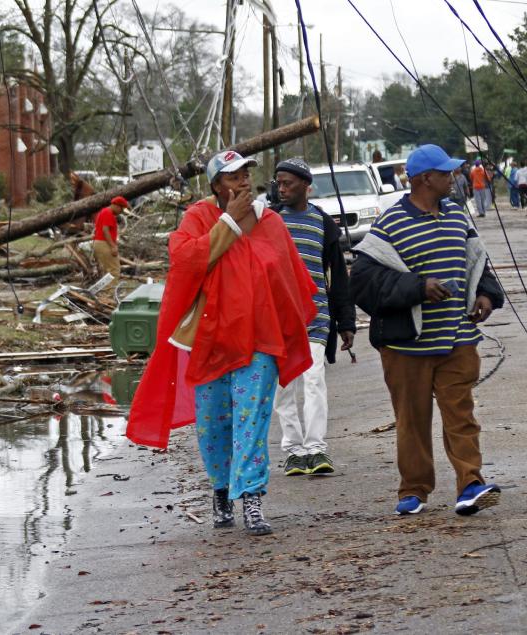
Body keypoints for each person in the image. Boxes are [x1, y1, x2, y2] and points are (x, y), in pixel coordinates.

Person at [126, 150, 317, 536]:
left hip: (259, 340)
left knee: (252, 420)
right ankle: (220, 489)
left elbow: (287, 277)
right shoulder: (199, 217)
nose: (243, 182)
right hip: (210, 341)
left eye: (246, 174)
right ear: (216, 186)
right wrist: (229, 222)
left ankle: (251, 499)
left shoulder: (271, 222)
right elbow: (186, 260)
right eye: (233, 177)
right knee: (213, 423)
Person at [349, 143, 505, 517]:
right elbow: (365, 281)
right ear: (424, 179)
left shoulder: (457, 214)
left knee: (461, 415)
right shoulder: (390, 223)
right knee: (412, 420)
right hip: (408, 347)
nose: (453, 178)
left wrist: (486, 294)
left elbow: (477, 260)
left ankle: (470, 484)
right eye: (446, 173)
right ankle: (414, 489)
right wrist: (417, 288)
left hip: (458, 339)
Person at [270, 158, 356, 476]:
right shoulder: (270, 222)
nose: (281, 188)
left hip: (316, 316)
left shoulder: (324, 223)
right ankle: (294, 450)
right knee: (285, 384)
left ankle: (317, 448)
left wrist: (346, 322)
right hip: (279, 320)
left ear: (306, 186)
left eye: (288, 183)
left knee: (314, 379)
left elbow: (340, 278)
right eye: (278, 183)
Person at [93, 196, 129, 281]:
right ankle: (110, 293)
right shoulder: (108, 213)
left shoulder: (104, 212)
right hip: (104, 243)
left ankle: (106, 292)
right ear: (117, 206)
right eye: (121, 209)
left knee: (107, 270)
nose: (121, 212)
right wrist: (113, 246)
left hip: (100, 243)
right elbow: (105, 230)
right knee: (114, 270)